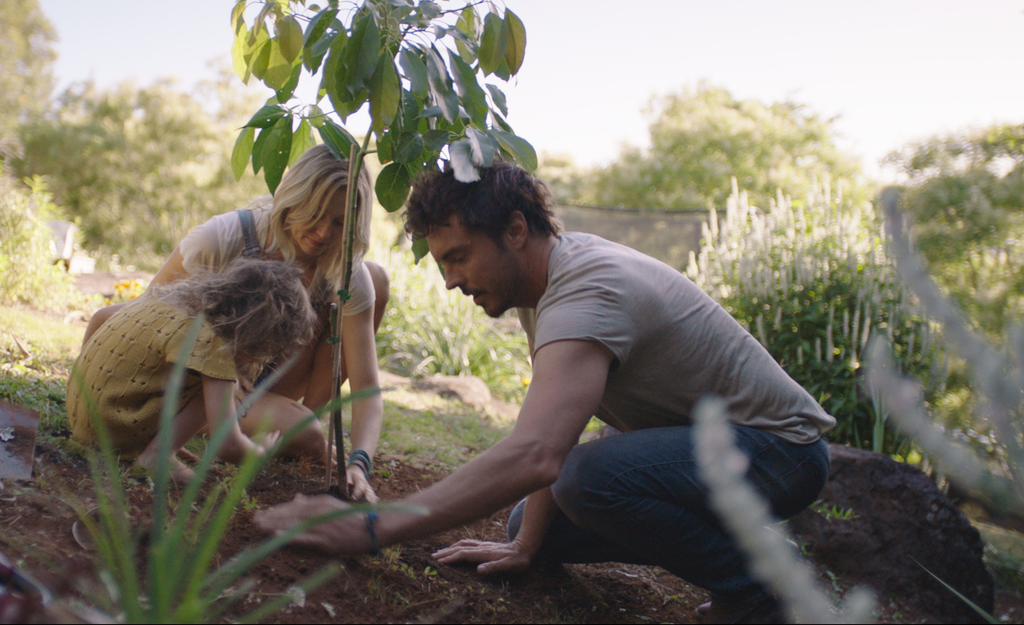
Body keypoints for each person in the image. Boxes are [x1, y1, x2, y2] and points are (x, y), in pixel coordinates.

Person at [255, 163, 837, 623]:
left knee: (586, 480)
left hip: (780, 453)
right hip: (715, 453)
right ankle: (746, 551)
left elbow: (539, 453)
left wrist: (373, 525)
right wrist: (527, 546)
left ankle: (757, 589)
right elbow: (562, 426)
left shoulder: (590, 290)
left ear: (515, 229)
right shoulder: (550, 283)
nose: (452, 281)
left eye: (459, 256)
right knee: (528, 527)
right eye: (441, 263)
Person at [82, 146, 390, 501]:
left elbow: (368, 386)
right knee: (307, 436)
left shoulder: (346, 271)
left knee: (307, 432)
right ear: (292, 198)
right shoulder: (223, 238)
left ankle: (292, 415)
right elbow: (141, 320)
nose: (323, 232)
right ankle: (196, 425)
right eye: (315, 213)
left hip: (263, 382)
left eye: (339, 222)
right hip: (202, 378)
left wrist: (359, 462)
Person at [67, 258, 316, 481]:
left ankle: (160, 444)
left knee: (217, 376)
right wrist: (260, 451)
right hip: (110, 433)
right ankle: (157, 457)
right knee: (223, 381)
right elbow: (227, 446)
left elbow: (102, 314)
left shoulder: (166, 297)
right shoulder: (212, 343)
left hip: (81, 420)